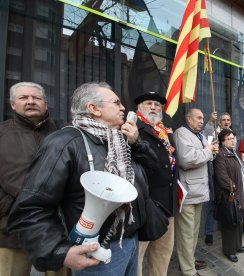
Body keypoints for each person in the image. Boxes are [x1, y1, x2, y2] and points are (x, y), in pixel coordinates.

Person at [7, 82, 150, 275]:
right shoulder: (65, 142)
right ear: (94, 109)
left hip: (129, 242)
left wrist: (138, 144)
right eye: (116, 102)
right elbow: (32, 206)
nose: (123, 107)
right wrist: (58, 251)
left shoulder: (119, 141)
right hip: (93, 252)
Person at [0, 82, 69, 276]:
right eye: (23, 98)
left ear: (45, 104)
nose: (31, 102)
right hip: (10, 229)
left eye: (36, 98)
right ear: (13, 104)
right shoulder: (2, 133)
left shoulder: (63, 133)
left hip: (58, 228)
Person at [134, 92, 177, 276]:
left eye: (157, 105)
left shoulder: (165, 130)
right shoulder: (132, 128)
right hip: (145, 205)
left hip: (168, 203)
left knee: (162, 254)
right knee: (136, 258)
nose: (153, 107)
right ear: (139, 107)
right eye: (149, 103)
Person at [173, 108, 218, 276]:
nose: (201, 120)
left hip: (199, 191)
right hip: (188, 192)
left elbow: (205, 156)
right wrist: (208, 151)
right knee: (186, 235)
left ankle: (189, 260)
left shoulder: (200, 136)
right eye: (198, 118)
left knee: (193, 233)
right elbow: (187, 159)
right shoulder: (181, 133)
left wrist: (212, 152)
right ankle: (188, 270)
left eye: (203, 118)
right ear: (188, 119)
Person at [213, 129, 244, 263]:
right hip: (229, 195)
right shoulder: (221, 155)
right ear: (222, 141)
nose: (233, 140)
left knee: (238, 220)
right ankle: (229, 250)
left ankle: (237, 245)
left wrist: (243, 162)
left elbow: (238, 170)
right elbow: (221, 176)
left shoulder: (234, 153)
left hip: (238, 193)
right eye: (229, 138)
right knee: (229, 223)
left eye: (233, 138)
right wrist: (232, 187)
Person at [202, 112, 232, 246]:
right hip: (214, 172)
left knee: (227, 201)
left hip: (228, 173)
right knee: (212, 203)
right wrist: (209, 122)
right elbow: (207, 142)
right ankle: (209, 232)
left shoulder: (232, 135)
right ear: (219, 122)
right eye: (223, 120)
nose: (226, 122)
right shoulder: (214, 132)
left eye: (228, 120)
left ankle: (226, 227)